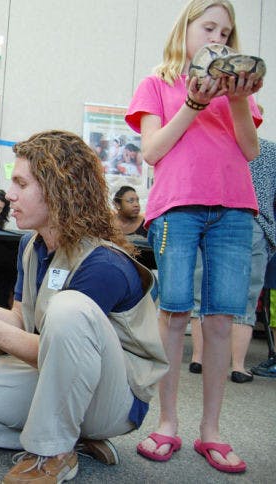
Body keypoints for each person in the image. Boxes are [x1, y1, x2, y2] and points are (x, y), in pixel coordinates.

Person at [0, 130, 168, 483]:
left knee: (70, 308)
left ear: (60, 190)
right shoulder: (32, 245)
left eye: (20, 183)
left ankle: (52, 452)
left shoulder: (103, 263)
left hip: (113, 400)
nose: (9, 194)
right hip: (55, 374)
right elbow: (21, 320)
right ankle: (67, 441)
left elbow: (51, 347)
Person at [125, 0, 263, 473]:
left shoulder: (238, 92)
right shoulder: (157, 82)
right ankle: (166, 424)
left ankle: (212, 431)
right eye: (208, 26)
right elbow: (152, 150)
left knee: (222, 318)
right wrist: (194, 104)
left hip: (234, 209)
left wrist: (237, 99)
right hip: (176, 208)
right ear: (186, 28)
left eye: (226, 31)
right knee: (174, 312)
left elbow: (249, 150)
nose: (217, 37)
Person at [190, 109, 276, 382]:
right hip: (253, 222)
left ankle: (198, 359)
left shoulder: (213, 141)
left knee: (201, 288)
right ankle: (237, 366)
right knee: (246, 295)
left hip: (210, 217)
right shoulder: (270, 151)